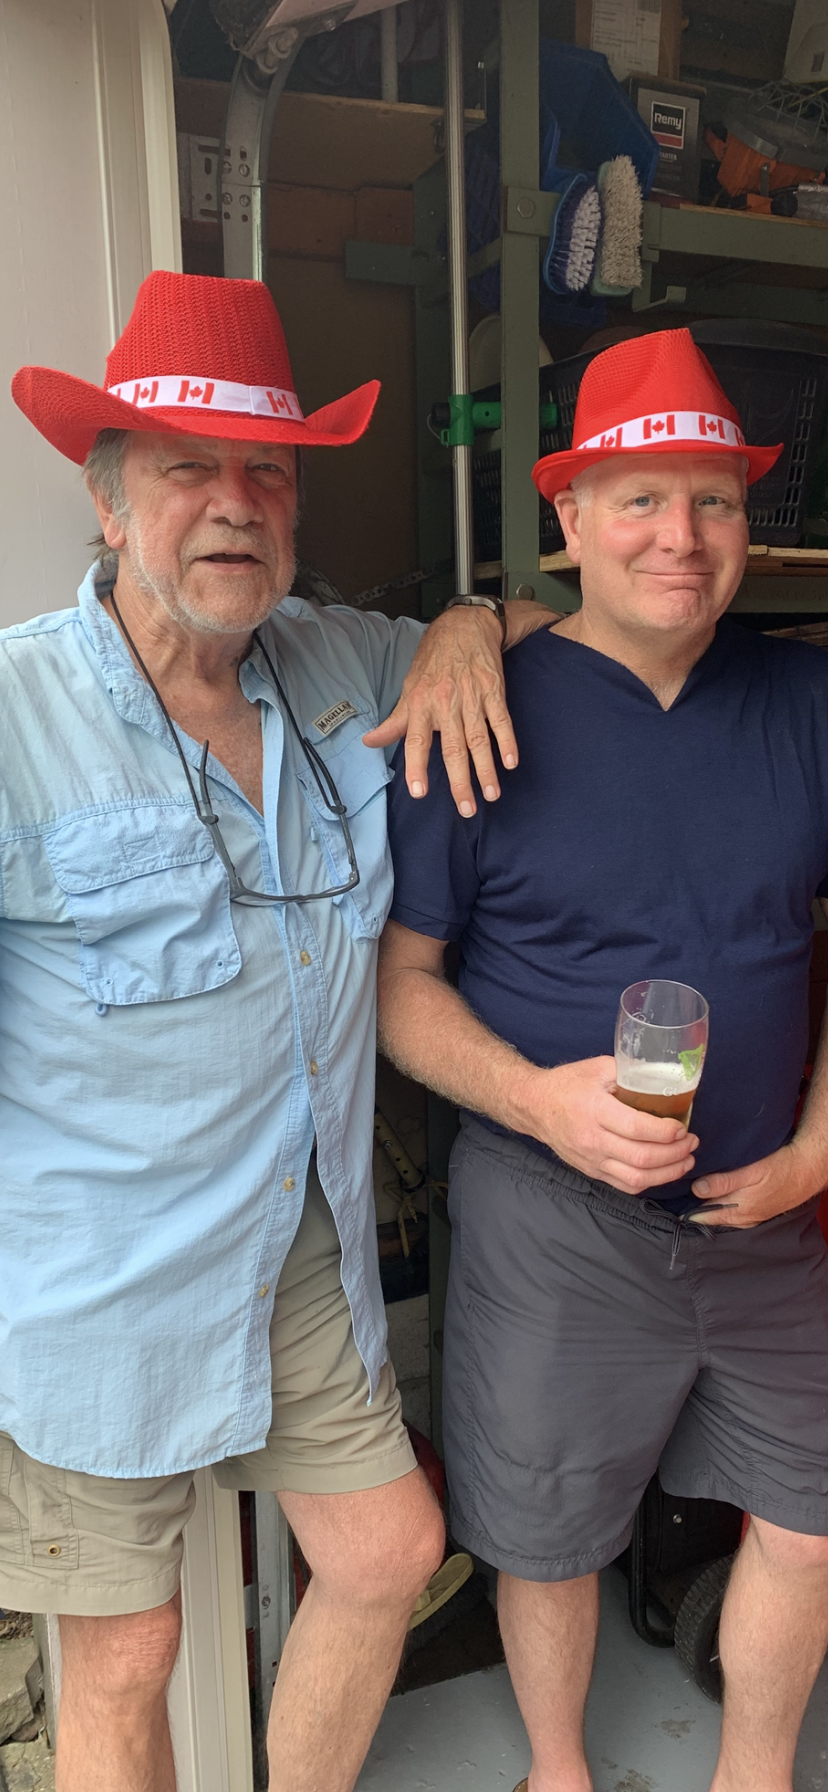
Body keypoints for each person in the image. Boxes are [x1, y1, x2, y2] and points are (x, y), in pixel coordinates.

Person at [1, 269, 548, 1792]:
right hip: (94, 1280)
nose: (236, 504)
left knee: (387, 1553)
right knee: (127, 1659)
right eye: (190, 468)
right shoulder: (16, 713)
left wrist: (464, 623)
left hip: (292, 1235)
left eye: (270, 470)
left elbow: (560, 625)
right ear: (108, 501)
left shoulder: (336, 660)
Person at [378, 328, 828, 1792]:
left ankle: (753, 1774)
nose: (680, 536)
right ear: (568, 521)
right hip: (553, 1211)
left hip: (766, 1214)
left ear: (747, 524)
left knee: (813, 1519)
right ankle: (560, 1770)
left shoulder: (806, 702)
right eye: (640, 499)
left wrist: (822, 1145)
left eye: (713, 500)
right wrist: (537, 1103)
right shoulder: (478, 708)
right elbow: (401, 992)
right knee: (547, 1534)